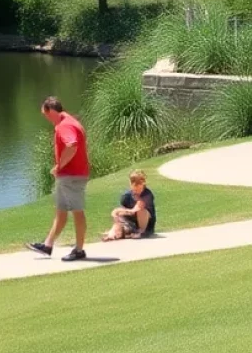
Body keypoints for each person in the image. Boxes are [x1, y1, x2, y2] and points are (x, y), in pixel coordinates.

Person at [27, 96, 89, 262]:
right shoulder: (69, 122)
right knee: (61, 212)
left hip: (72, 175)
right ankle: (48, 245)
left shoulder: (64, 125)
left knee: (77, 211)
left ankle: (79, 250)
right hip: (69, 175)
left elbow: (72, 145)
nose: (46, 118)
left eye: (46, 114)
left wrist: (59, 166)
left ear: (51, 111)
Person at [102, 170, 157, 241]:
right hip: (132, 223)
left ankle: (141, 232)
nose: (137, 186)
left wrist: (119, 210)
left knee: (141, 210)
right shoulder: (126, 196)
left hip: (147, 225)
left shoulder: (147, 194)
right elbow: (125, 213)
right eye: (134, 184)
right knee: (120, 221)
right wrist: (117, 213)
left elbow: (136, 209)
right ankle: (112, 234)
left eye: (139, 184)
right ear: (131, 184)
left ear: (143, 183)